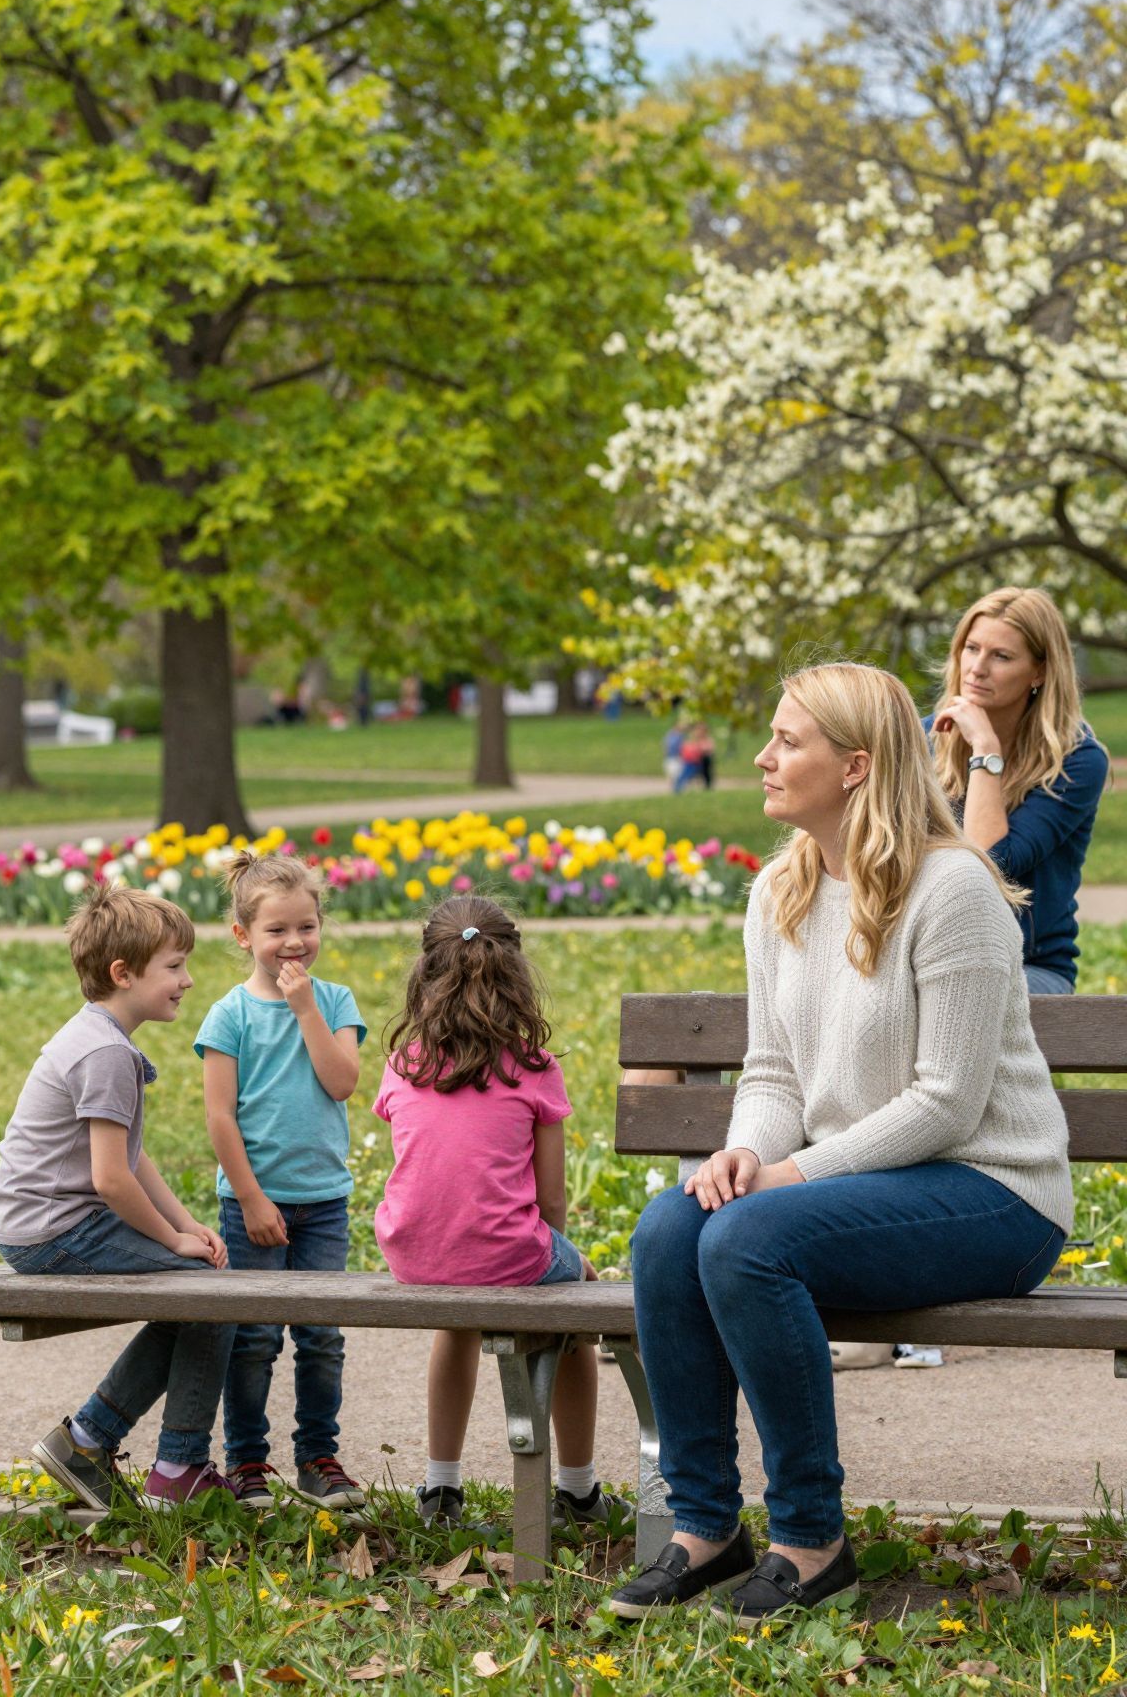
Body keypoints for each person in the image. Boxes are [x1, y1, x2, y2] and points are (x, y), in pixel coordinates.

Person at [611, 661, 1071, 1629]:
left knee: (747, 1237)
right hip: (866, 1189)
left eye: (789, 740)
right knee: (669, 1227)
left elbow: (948, 1101)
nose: (764, 756)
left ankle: (812, 1540)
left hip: (995, 1190)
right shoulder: (780, 889)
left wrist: (790, 1174)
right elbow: (774, 1071)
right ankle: (701, 1526)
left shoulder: (953, 889)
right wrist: (745, 1152)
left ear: (856, 764)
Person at [373, 893, 617, 1533]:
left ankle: (440, 1488)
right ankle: (579, 1490)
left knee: (456, 1322)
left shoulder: (406, 1062)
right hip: (508, 1252)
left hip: (413, 1254)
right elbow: (552, 1198)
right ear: (515, 978)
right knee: (578, 1309)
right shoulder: (534, 1067)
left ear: (426, 975)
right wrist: (559, 1259)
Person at [0, 886, 235, 1509]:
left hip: (46, 1222)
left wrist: (187, 1225)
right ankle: (175, 1464)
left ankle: (92, 1440)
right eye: (174, 967)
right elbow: (111, 1180)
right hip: (56, 1230)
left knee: (199, 1290)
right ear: (123, 974)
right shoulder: (105, 1052)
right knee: (214, 1296)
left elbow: (130, 1157)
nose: (187, 979)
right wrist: (172, 1240)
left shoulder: (99, 1037)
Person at [196, 850, 367, 1511]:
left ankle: (318, 1456)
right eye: (276, 931)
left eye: (306, 926)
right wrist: (250, 1196)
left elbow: (343, 1081)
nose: (294, 942)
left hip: (323, 1202)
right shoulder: (229, 1015)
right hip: (253, 1205)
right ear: (244, 936)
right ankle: (247, 1463)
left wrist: (305, 1012)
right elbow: (218, 1117)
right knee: (256, 1338)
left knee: (321, 1335)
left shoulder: (334, 1002)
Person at [927, 585, 1109, 993]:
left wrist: (984, 751)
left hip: (1029, 967)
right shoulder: (926, 740)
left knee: (969, 994)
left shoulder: (1076, 761)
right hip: (929, 954)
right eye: (971, 648)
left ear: (1040, 671)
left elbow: (990, 862)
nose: (976, 668)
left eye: (1001, 656)